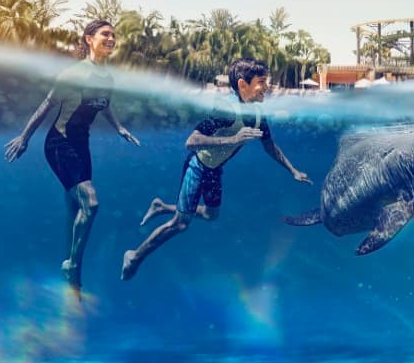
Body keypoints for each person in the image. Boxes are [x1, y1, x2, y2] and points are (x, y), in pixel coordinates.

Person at [121, 57, 311, 280]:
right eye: (261, 81)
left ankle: (162, 206)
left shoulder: (258, 114)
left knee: (211, 215)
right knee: (181, 224)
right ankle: (134, 255)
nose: (266, 87)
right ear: (243, 84)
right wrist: (232, 139)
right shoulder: (225, 110)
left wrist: (293, 170)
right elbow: (191, 141)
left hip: (215, 170)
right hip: (198, 168)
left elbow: (270, 146)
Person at [5, 19, 140, 297]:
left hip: (81, 145)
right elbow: (46, 105)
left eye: (114, 35)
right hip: (59, 143)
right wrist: (24, 138)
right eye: (105, 34)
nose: (111, 38)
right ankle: (72, 266)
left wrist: (120, 128)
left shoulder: (107, 78)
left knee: (74, 209)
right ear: (89, 39)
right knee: (91, 203)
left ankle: (71, 280)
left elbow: (105, 106)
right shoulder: (74, 74)